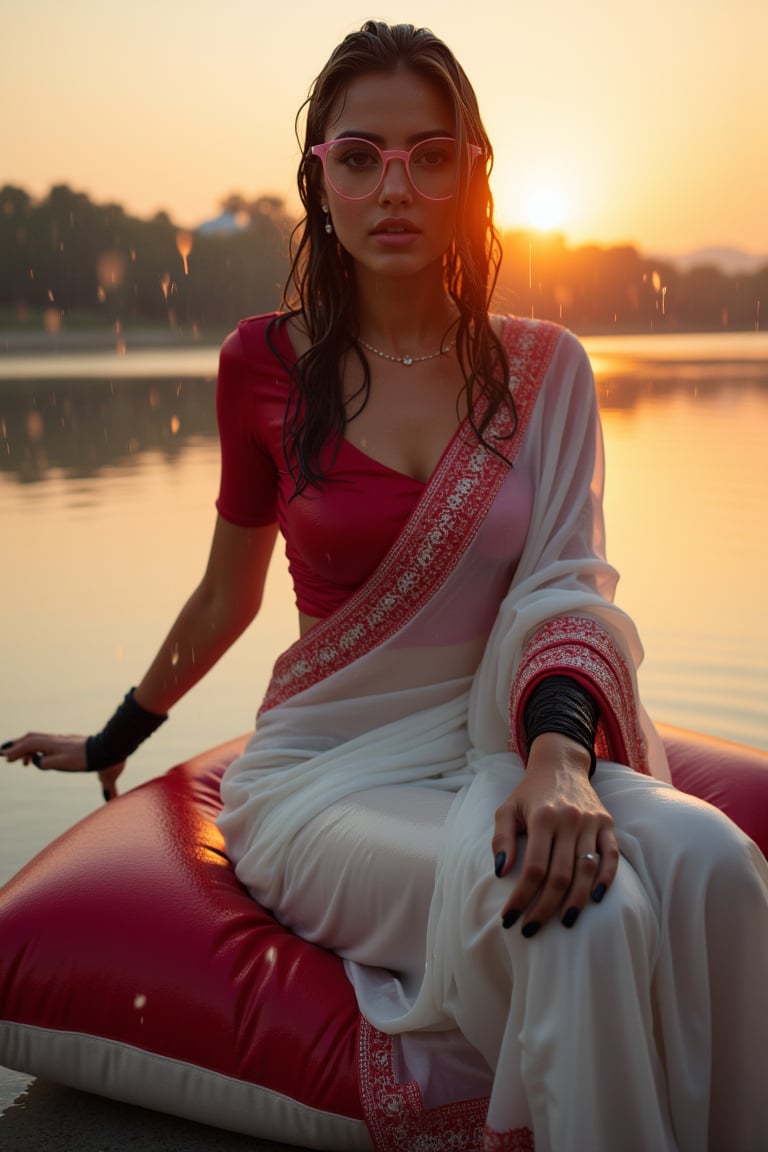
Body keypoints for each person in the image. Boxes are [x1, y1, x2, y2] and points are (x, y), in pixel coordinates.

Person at [2, 20, 767, 1152]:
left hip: (511, 747)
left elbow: (571, 585)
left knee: (717, 866)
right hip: (325, 773)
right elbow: (228, 593)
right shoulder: (261, 363)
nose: (394, 187)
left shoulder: (548, 368)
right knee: (580, 918)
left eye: (431, 154)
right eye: (360, 157)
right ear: (319, 181)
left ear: (474, 174)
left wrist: (562, 764)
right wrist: (118, 734)